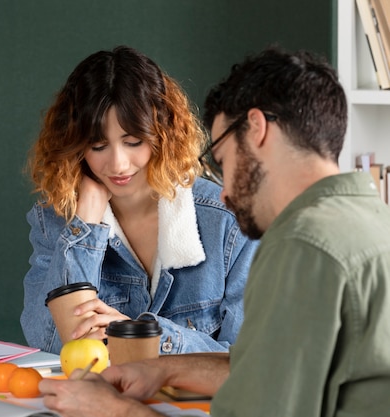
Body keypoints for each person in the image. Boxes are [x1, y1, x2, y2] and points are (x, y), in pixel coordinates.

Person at [38, 46, 390, 417]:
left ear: (256, 129)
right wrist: (161, 367)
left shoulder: (304, 244)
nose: (223, 191)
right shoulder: (370, 217)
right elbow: (261, 370)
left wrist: (113, 410)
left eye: (223, 159)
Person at [20, 45, 258, 355]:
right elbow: (49, 342)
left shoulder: (227, 221)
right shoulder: (57, 218)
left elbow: (248, 359)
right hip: (98, 399)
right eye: (98, 145)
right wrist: (86, 227)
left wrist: (145, 336)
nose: (118, 164)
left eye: (133, 142)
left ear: (163, 134)